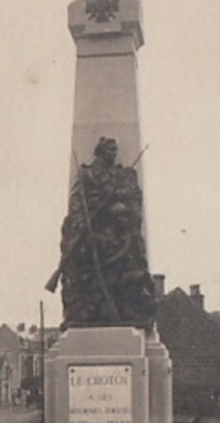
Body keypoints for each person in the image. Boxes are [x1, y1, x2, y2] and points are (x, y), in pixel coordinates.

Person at [59, 136, 156, 331]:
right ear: (100, 151)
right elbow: (77, 205)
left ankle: (122, 308)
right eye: (110, 150)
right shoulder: (87, 174)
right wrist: (84, 227)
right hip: (93, 235)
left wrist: (119, 203)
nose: (113, 154)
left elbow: (133, 206)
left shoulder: (122, 176)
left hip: (118, 238)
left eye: (115, 150)